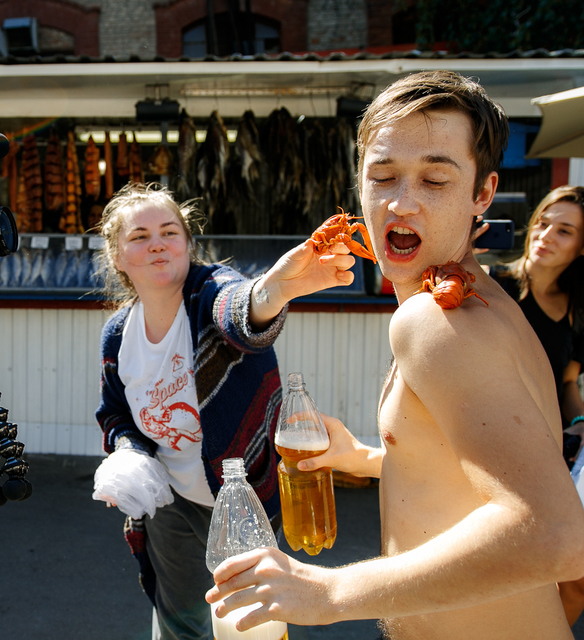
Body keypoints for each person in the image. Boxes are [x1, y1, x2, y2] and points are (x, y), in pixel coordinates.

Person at [205, 70, 584, 640]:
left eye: (435, 179)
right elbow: (471, 474)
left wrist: (328, 593)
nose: (402, 203)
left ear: (482, 193)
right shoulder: (485, 302)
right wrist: (363, 457)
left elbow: (556, 536)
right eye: (382, 176)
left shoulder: (432, 319)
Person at [93, 181, 357, 640]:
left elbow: (240, 311)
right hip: (169, 504)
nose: (157, 243)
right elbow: (114, 413)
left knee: (252, 627)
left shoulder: (210, 291)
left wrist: (273, 291)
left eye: (169, 232)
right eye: (139, 236)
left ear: (187, 243)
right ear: (117, 256)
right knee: (180, 625)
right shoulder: (118, 333)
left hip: (242, 499)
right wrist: (129, 453)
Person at [488, 185, 584, 626]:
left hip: (555, 456)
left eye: (564, 231)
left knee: (571, 579)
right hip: (491, 452)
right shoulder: (491, 283)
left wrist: (579, 421)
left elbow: (568, 382)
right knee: (497, 577)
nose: (545, 235)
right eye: (543, 222)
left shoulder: (577, 309)